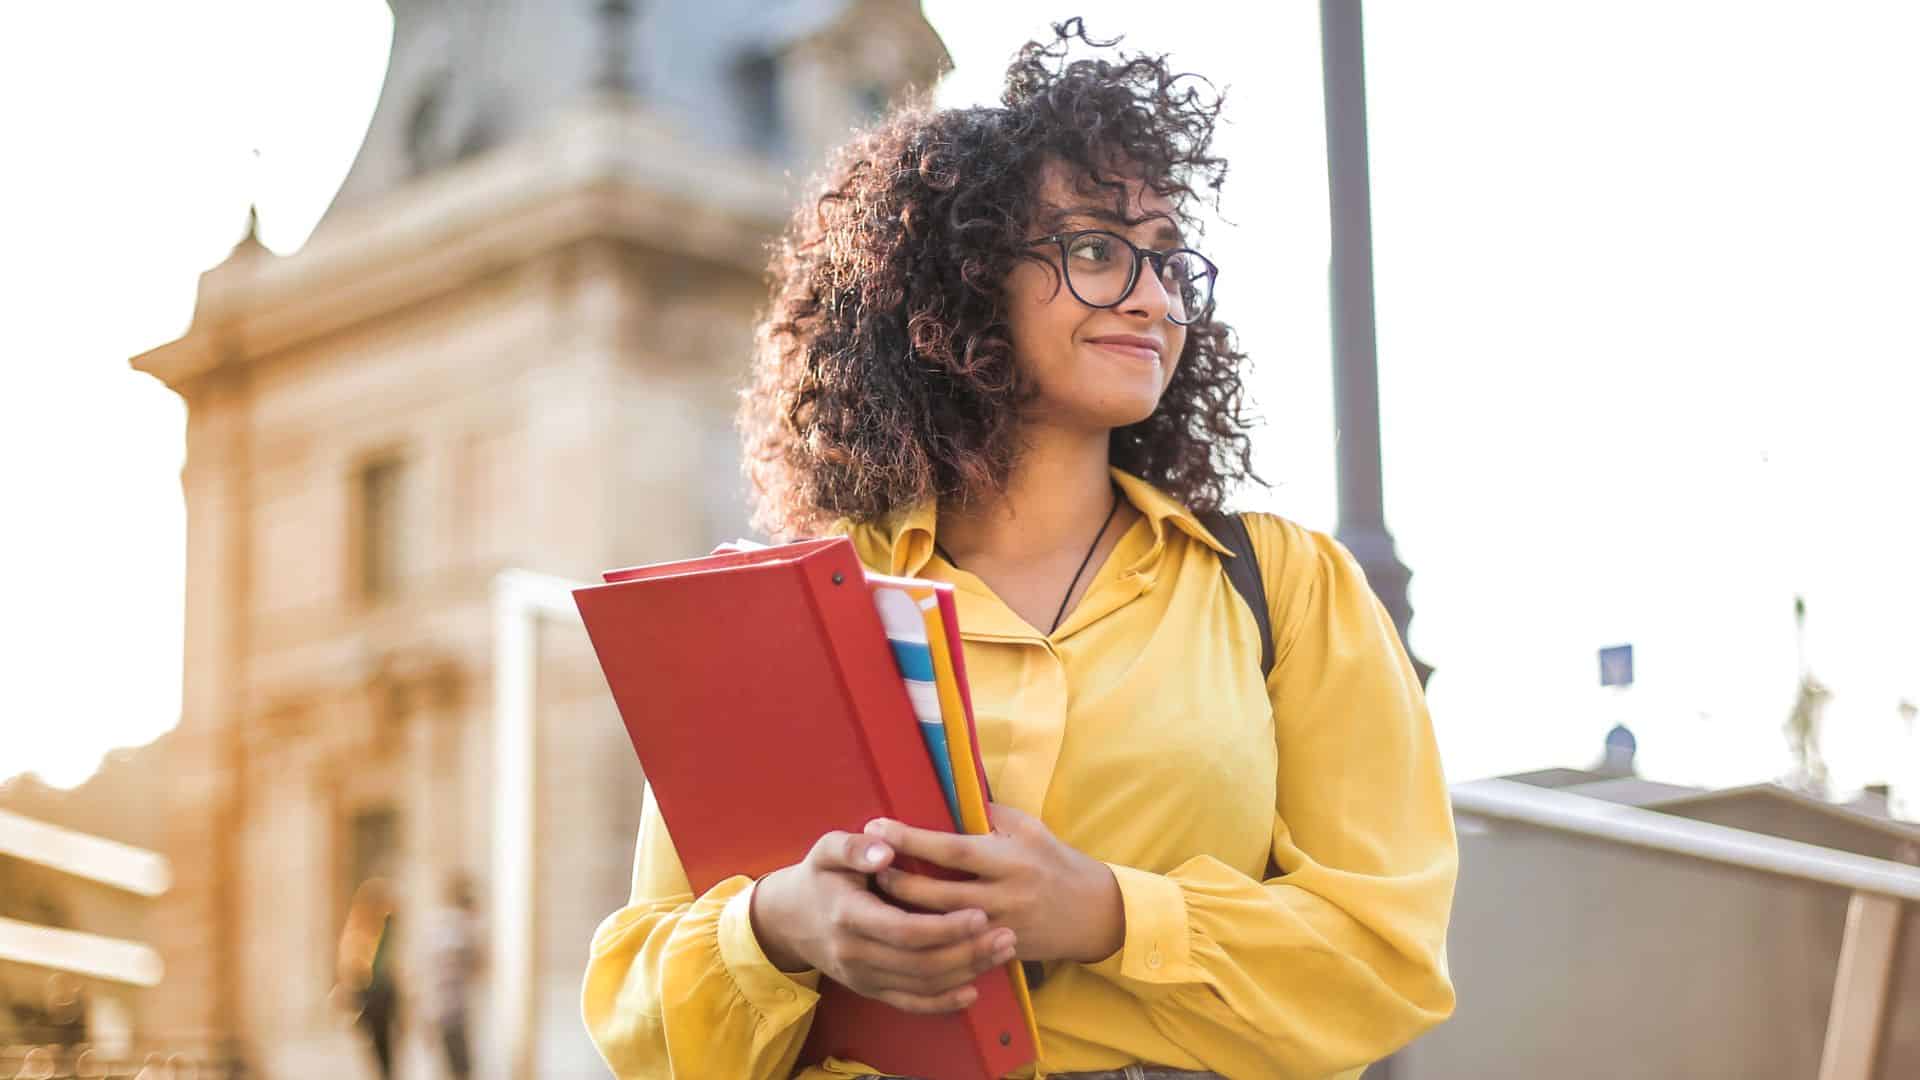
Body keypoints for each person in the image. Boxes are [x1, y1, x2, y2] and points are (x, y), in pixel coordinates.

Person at [582, 19, 1456, 1080]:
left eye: (1171, 261)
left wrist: (1107, 913)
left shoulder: (1286, 589)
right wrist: (776, 928)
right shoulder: (794, 613)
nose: (1152, 296)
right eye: (1096, 249)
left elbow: (1389, 962)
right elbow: (637, 1018)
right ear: (960, 283)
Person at [421, 873, 484, 1079]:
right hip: (453, 1009)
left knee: (448, 1065)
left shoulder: (437, 925)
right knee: (460, 1067)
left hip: (437, 1007)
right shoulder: (461, 927)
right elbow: (476, 963)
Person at [336, 878, 400, 1080]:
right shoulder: (362, 931)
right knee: (381, 1052)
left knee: (383, 1051)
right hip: (373, 997)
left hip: (379, 997)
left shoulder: (379, 929)